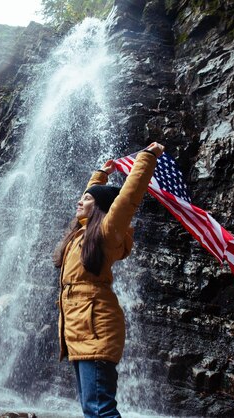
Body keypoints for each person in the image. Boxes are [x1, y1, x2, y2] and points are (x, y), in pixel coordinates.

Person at [53, 142, 165, 418]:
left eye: (87, 200)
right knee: (92, 408)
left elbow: (127, 198)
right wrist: (99, 176)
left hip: (95, 326)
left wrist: (146, 159)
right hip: (79, 327)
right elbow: (93, 197)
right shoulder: (83, 233)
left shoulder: (107, 232)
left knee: (100, 410)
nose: (79, 201)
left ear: (102, 208)